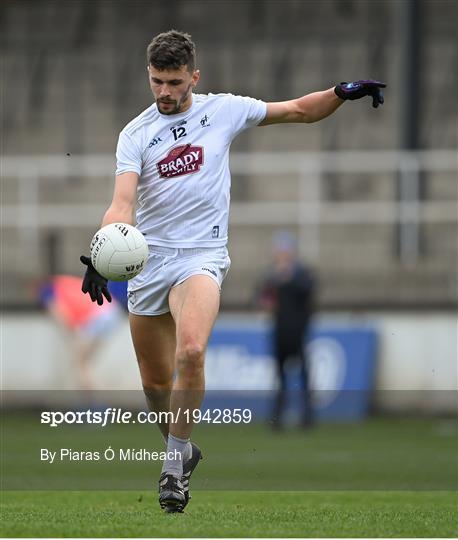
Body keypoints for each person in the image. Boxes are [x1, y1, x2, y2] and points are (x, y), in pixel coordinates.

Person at [80, 30, 385, 513]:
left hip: (201, 257)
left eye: (174, 82)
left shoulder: (223, 110)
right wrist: (102, 253)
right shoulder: (134, 134)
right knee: (156, 387)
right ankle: (182, 447)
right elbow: (121, 204)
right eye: (157, 81)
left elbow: (298, 111)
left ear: (193, 78)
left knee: (193, 351)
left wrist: (340, 93)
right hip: (149, 262)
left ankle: (172, 472)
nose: (164, 92)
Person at [259, 231, 316, 431]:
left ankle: (308, 417)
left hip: (299, 331)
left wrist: (288, 278)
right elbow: (262, 296)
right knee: (280, 376)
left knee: (304, 374)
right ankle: (278, 418)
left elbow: (308, 291)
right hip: (280, 331)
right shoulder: (271, 275)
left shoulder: (301, 273)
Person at [38, 275, 124, 391]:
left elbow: (62, 316)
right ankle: (94, 397)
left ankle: (93, 400)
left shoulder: (48, 292)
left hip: (98, 314)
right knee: (84, 362)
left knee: (79, 362)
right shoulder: (62, 282)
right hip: (111, 310)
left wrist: (74, 337)